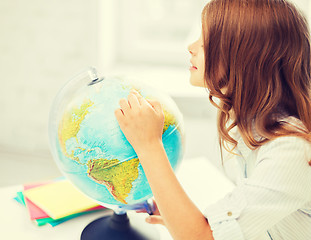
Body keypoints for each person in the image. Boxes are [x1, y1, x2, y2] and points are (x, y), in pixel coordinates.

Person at [114, 0, 311, 239]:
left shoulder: (291, 149)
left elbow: (202, 237)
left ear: (244, 61)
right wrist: (181, 219)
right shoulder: (251, 123)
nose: (191, 47)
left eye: (206, 43)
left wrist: (148, 144)